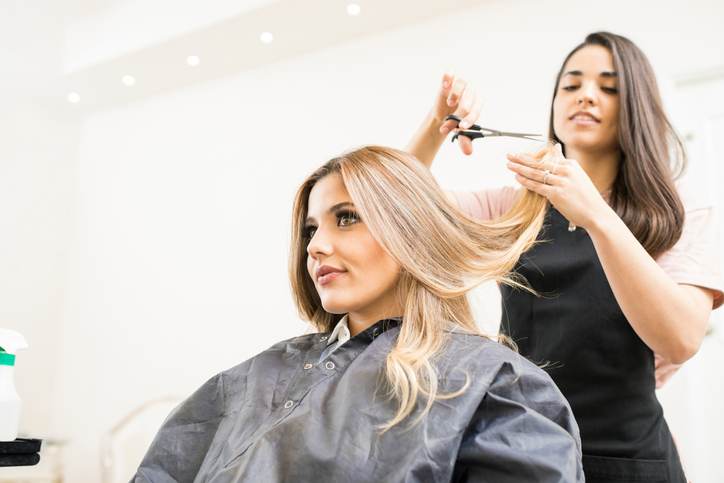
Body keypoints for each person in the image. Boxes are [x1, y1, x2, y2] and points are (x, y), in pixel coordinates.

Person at [133, 146, 583, 482]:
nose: (315, 246)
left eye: (346, 218)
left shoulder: (492, 384)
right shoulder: (255, 376)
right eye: (311, 229)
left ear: (410, 229)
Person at [407, 32, 724, 482]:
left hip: (632, 459)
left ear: (638, 107)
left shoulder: (679, 211)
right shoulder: (514, 207)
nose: (586, 97)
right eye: (571, 85)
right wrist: (434, 125)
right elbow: (390, 208)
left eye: (609, 88)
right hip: (522, 451)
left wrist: (597, 215)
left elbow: (680, 340)